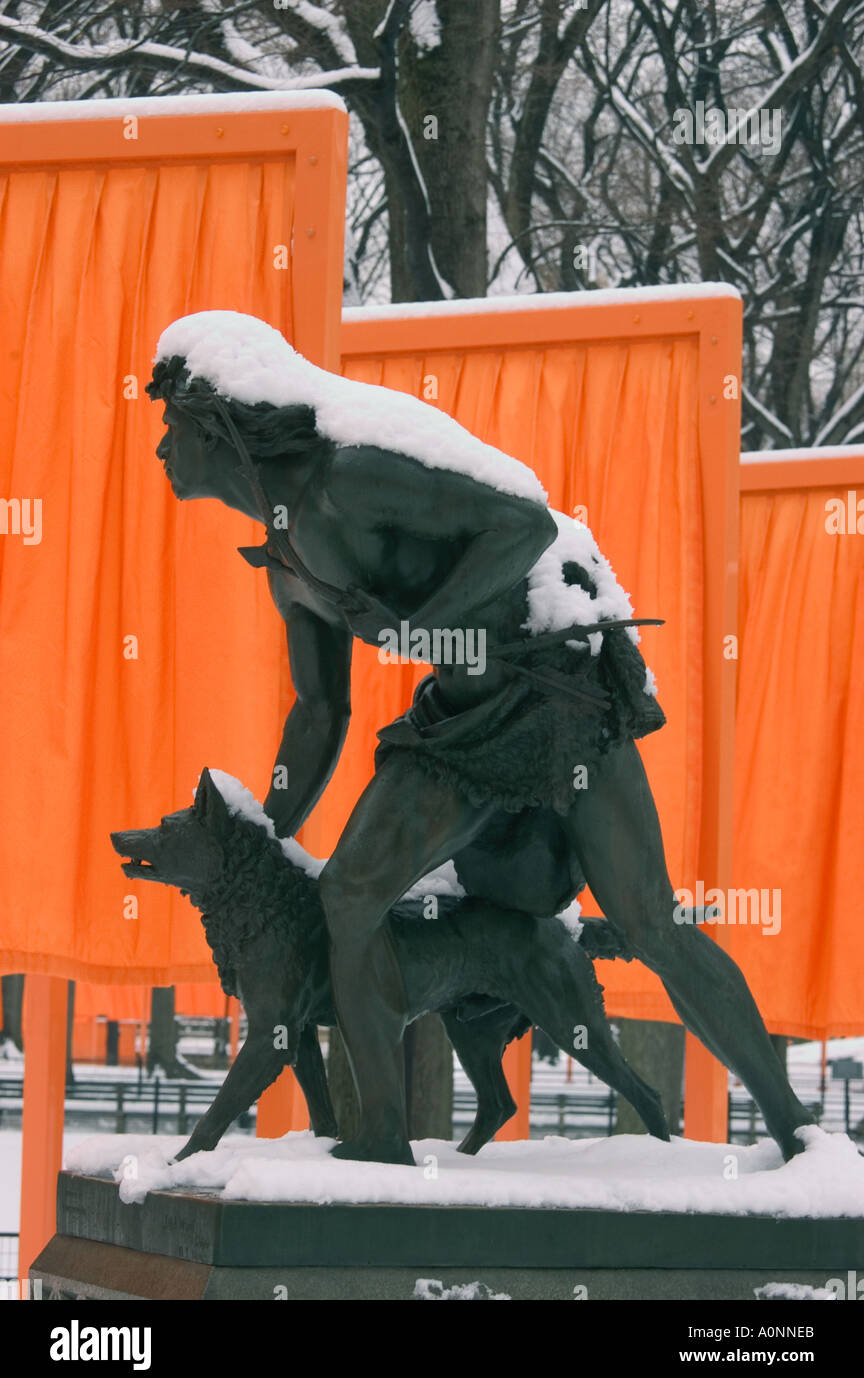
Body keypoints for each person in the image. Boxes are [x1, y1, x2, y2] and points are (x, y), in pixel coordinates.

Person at [147, 310, 813, 1165]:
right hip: (456, 730)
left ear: (218, 426)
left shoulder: (350, 475)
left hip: (557, 703)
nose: (163, 450)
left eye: (172, 428)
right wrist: (257, 835)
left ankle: (796, 1125)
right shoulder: (286, 567)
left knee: (649, 921)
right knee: (349, 895)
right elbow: (320, 714)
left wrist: (417, 625)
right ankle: (380, 1142)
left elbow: (525, 526)